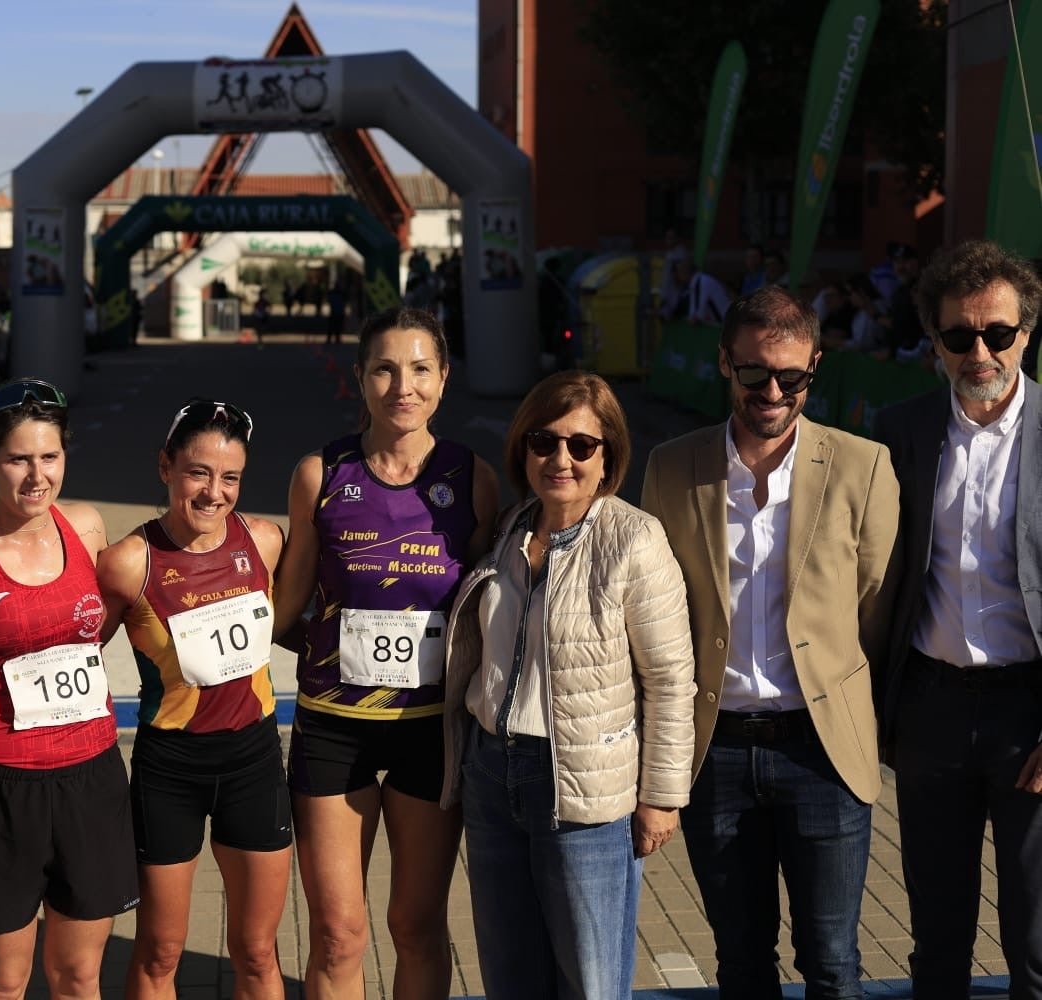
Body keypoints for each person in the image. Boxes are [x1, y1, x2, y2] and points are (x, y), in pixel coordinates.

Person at [640, 286, 901, 999]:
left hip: (822, 750)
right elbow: (653, 610)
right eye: (755, 373)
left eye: (793, 376)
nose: (773, 391)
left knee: (833, 963)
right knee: (741, 961)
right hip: (714, 751)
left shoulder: (862, 465)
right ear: (725, 363)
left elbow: (874, 606)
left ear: (815, 367)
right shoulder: (671, 466)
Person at [440, 371, 696, 999]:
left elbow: (669, 680)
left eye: (582, 446)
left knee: (590, 979)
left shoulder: (633, 539)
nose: (560, 459)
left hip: (581, 785)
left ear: (607, 457)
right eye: (544, 441)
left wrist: (661, 795)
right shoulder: (507, 529)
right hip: (492, 774)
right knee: (508, 970)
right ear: (523, 448)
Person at [274, 306, 499, 999]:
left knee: (417, 924)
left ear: (443, 380)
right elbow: (286, 609)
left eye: (420, 369)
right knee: (339, 932)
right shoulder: (322, 473)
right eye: (385, 368)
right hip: (332, 730)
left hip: (429, 733)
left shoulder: (473, 478)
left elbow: (489, 613)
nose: (404, 386)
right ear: (361, 380)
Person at [0, 378, 138, 999]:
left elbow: (99, 625)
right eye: (18, 459)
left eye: (50, 457)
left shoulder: (87, 528)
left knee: (78, 976)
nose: (37, 476)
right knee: (6, 983)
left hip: (91, 779)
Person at [872, 239, 1042, 999]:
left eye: (997, 333)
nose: (979, 351)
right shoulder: (899, 431)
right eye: (959, 336)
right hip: (931, 708)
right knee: (936, 938)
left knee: (1036, 941)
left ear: (1026, 335)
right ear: (934, 341)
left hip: (1030, 714)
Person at [96, 399, 291, 999]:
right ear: (166, 468)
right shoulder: (130, 562)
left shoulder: (263, 539)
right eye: (198, 472)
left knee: (258, 952)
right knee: (159, 952)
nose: (214, 492)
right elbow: (72, 651)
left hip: (254, 761)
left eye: (230, 477)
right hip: (170, 769)